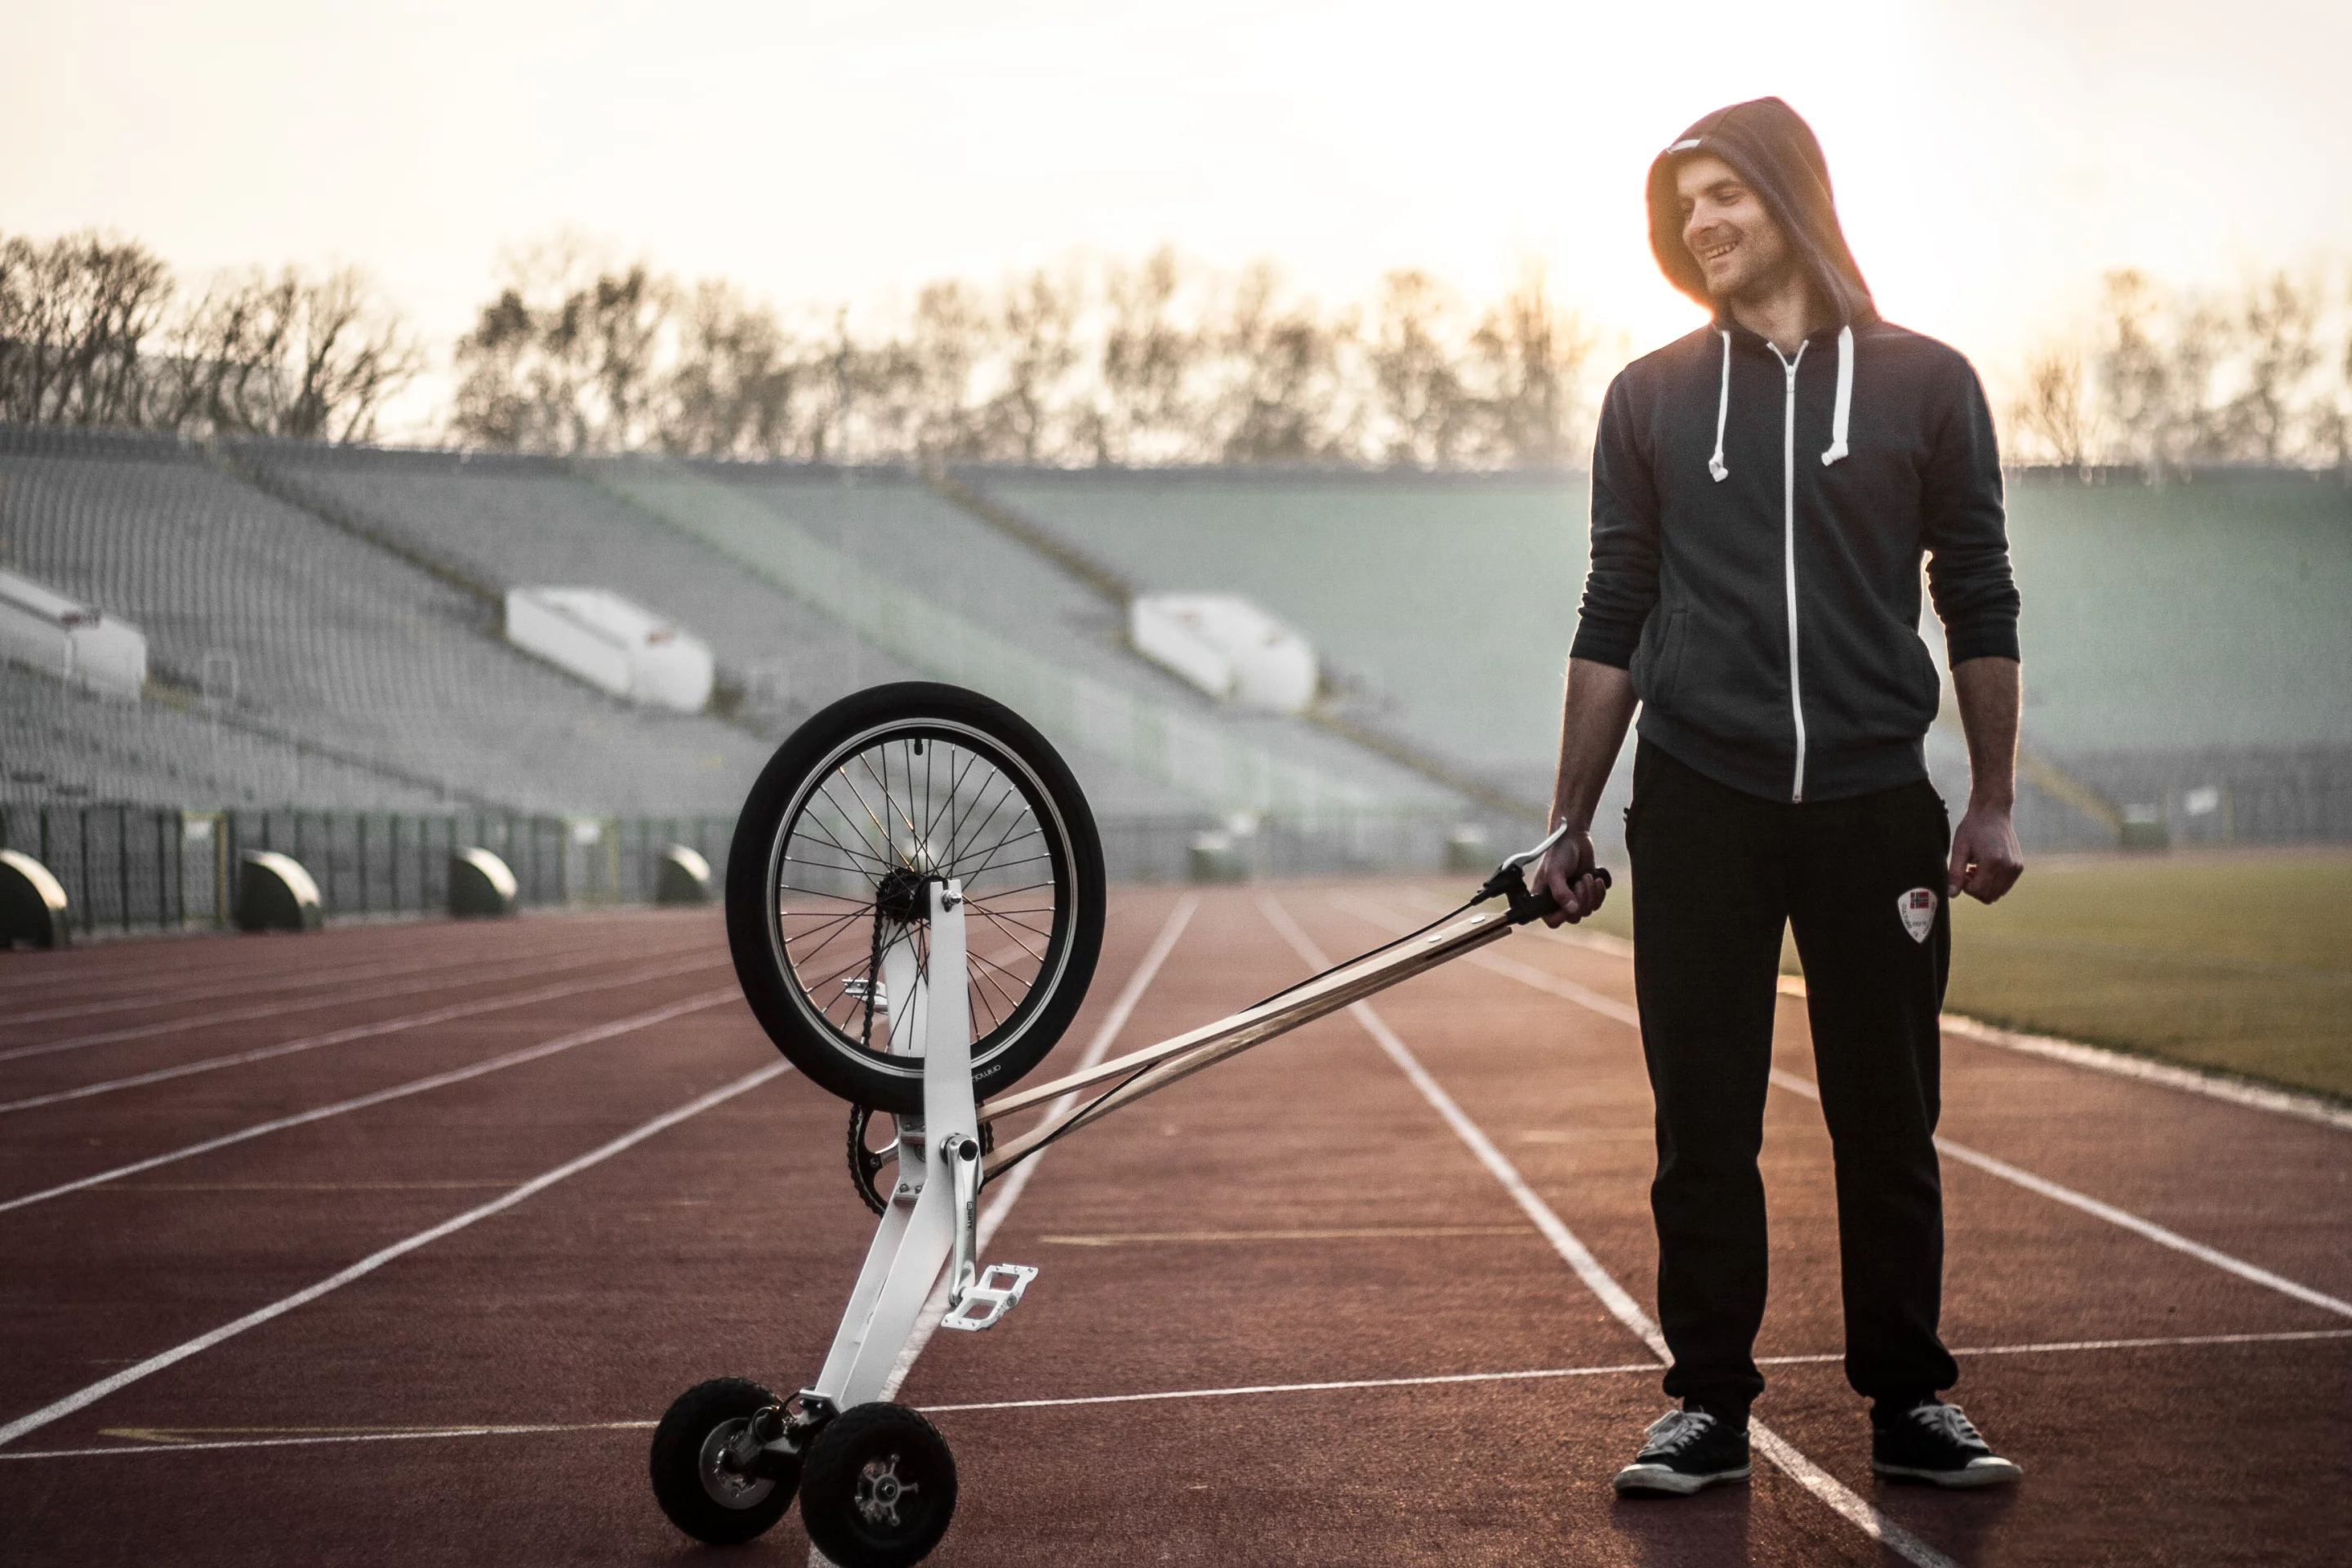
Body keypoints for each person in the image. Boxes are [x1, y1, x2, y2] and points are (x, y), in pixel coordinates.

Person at [1533, 96, 2027, 1496]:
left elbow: (1978, 593)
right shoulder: (1650, 398)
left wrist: (1990, 798)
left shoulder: (1930, 383)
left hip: (1876, 803)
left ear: (1790, 194)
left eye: (1725, 194)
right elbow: (1615, 608)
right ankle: (1706, 1405)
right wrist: (1570, 818)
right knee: (1703, 1124)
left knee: (1889, 1120)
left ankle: (1911, 1400)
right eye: (1683, 204)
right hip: (1702, 801)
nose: (1701, 222)